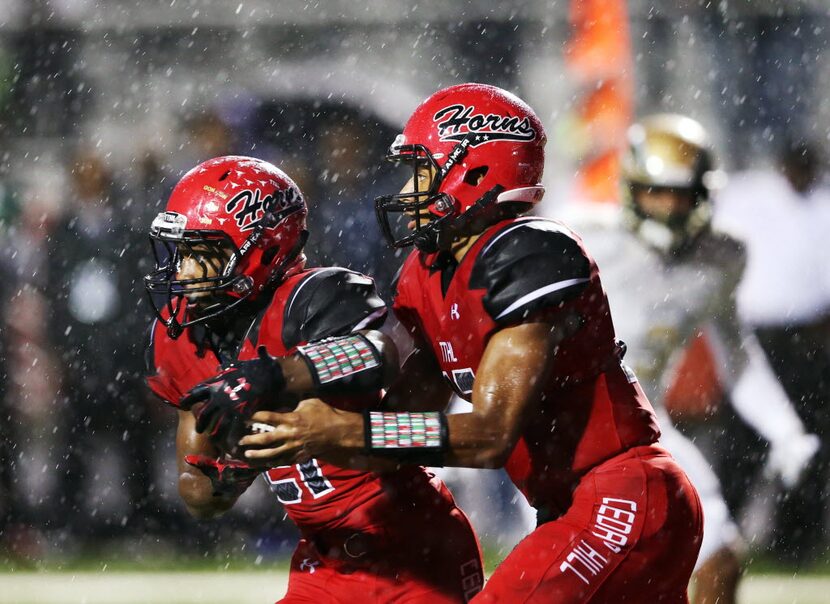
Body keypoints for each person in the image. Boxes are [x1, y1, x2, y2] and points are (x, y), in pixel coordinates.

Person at [189, 85, 705, 602]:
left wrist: (338, 429)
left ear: (476, 171)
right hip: (569, 507)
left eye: (422, 171)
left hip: (623, 492)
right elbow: (400, 429)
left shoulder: (529, 252)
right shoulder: (426, 270)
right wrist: (273, 431)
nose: (409, 190)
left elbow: (488, 434)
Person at [144, 155, 483, 603]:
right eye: (183, 252)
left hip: (411, 544)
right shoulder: (185, 335)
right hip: (323, 558)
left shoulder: (314, 295)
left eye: (203, 254)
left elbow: (376, 353)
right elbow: (199, 494)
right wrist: (233, 469)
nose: (185, 271)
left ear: (261, 249)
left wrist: (273, 377)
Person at [567, 114, 820, 603]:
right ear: (631, 188)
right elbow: (509, 334)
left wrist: (785, 429)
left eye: (682, 194)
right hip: (564, 426)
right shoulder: (582, 237)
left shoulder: (721, 256)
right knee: (571, 578)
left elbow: (737, 354)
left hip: (645, 423)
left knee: (720, 555)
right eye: (657, 192)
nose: (669, 206)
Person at [713, 139, 830, 564]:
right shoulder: (750, 196)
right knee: (742, 439)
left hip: (811, 340)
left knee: (808, 441)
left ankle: (795, 545)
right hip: (753, 336)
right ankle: (723, 533)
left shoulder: (824, 203)